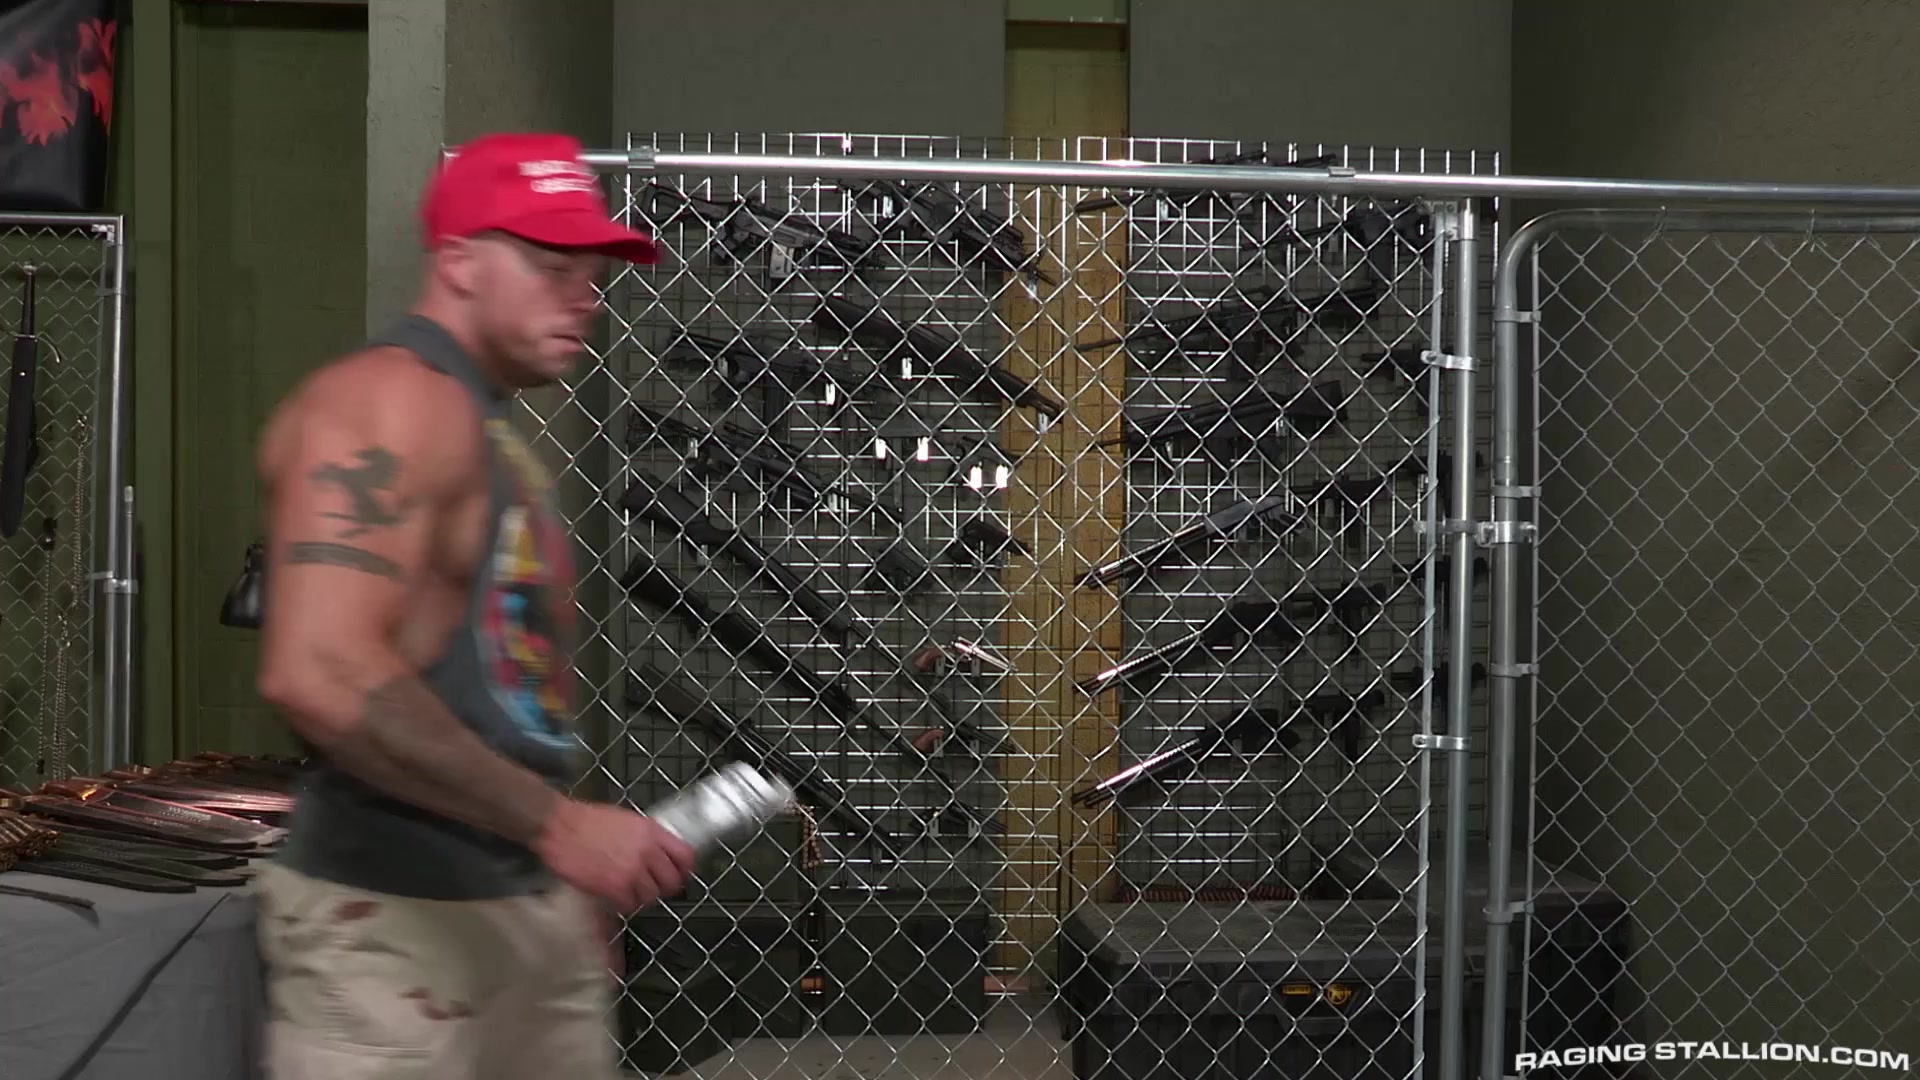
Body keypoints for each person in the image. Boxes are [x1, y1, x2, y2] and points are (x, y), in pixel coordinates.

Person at [250, 131, 696, 1079]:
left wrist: (545, 872)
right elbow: (319, 669)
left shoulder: (485, 430)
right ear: (457, 262)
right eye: (550, 267)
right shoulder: (387, 401)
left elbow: (493, 698)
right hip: (394, 936)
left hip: (513, 910)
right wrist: (559, 829)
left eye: (592, 274)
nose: (584, 296)